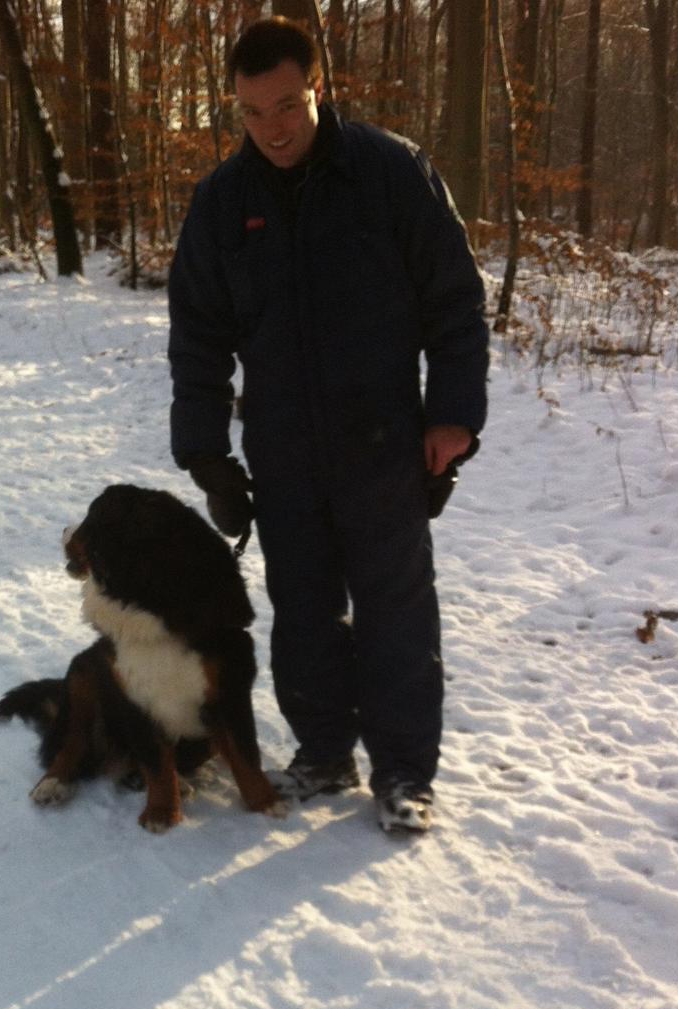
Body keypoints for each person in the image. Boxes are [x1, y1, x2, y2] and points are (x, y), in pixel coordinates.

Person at [167, 16, 488, 834]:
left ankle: (405, 771)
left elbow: (455, 302)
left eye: (286, 105)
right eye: (251, 112)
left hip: (382, 439)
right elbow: (198, 335)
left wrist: (452, 417)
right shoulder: (222, 203)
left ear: (319, 87)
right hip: (280, 445)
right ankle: (323, 751)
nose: (271, 128)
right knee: (302, 606)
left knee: (395, 610)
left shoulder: (389, 173)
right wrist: (206, 453)